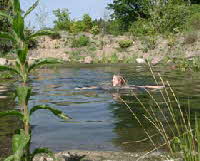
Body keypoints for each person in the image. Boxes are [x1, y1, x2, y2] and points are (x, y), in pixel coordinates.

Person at [75, 75, 164, 90]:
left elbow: (144, 86)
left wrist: (158, 87)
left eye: (113, 79)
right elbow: (95, 87)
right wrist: (82, 88)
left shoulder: (126, 87)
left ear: (119, 81)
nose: (112, 80)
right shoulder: (108, 86)